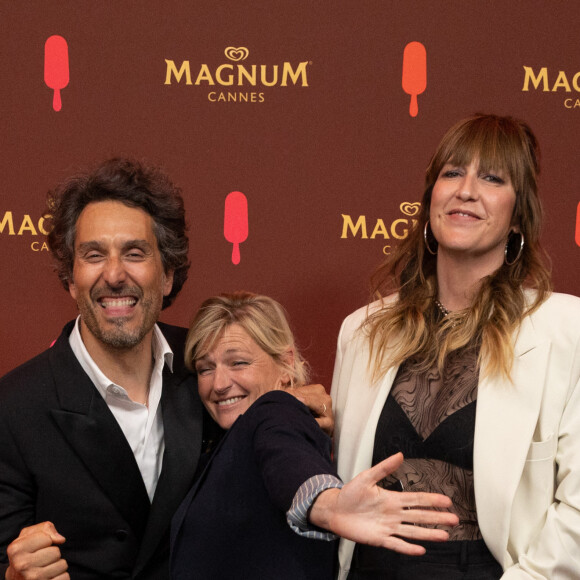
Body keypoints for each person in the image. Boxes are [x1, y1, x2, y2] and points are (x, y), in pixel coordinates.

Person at [0, 158, 331, 580]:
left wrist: (292, 406)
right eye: (94, 254)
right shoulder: (14, 407)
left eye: (134, 253)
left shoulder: (206, 366)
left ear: (168, 274)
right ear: (70, 278)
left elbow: (272, 434)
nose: (115, 275)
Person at [331, 113, 580, 579]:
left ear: (517, 215)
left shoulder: (566, 331)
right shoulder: (362, 332)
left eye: (492, 177)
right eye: (452, 173)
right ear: (430, 200)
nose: (466, 189)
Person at [170, 292, 459, 579]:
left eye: (238, 363)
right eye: (205, 368)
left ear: (285, 363)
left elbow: (287, 460)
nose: (218, 384)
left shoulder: (275, 412)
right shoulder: (224, 436)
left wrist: (327, 504)